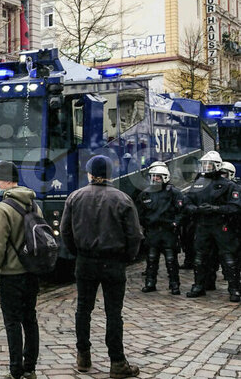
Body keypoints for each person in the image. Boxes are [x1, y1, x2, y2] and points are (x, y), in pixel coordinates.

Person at [60, 155, 142, 378]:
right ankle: (117, 362)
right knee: (113, 313)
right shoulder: (123, 199)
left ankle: (83, 356)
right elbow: (134, 235)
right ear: (110, 175)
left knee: (83, 310)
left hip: (85, 261)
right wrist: (127, 257)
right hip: (113, 262)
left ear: (89, 174)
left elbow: (65, 232)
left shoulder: (75, 197)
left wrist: (77, 253)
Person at [0, 161, 39, 379]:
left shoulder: (2, 208)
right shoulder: (34, 204)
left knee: (13, 322)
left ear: (7, 181)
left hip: (11, 275)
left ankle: (16, 370)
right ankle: (30, 368)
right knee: (30, 319)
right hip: (32, 272)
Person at [184, 151, 241, 301]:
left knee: (228, 257)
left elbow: (235, 207)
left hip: (221, 225)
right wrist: (196, 210)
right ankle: (199, 285)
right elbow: (187, 202)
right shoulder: (198, 184)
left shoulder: (229, 185)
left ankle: (234, 289)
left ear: (217, 166)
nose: (206, 167)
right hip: (203, 225)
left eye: (209, 165)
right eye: (204, 164)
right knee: (200, 257)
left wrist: (216, 209)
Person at [136, 162, 185, 295]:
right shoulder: (146, 194)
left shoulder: (173, 192)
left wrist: (175, 223)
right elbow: (140, 212)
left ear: (165, 177)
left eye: (158, 177)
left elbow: (182, 211)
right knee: (151, 259)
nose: (155, 179)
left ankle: (174, 284)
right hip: (152, 231)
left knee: (171, 260)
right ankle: (150, 283)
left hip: (168, 231)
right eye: (153, 177)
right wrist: (145, 224)